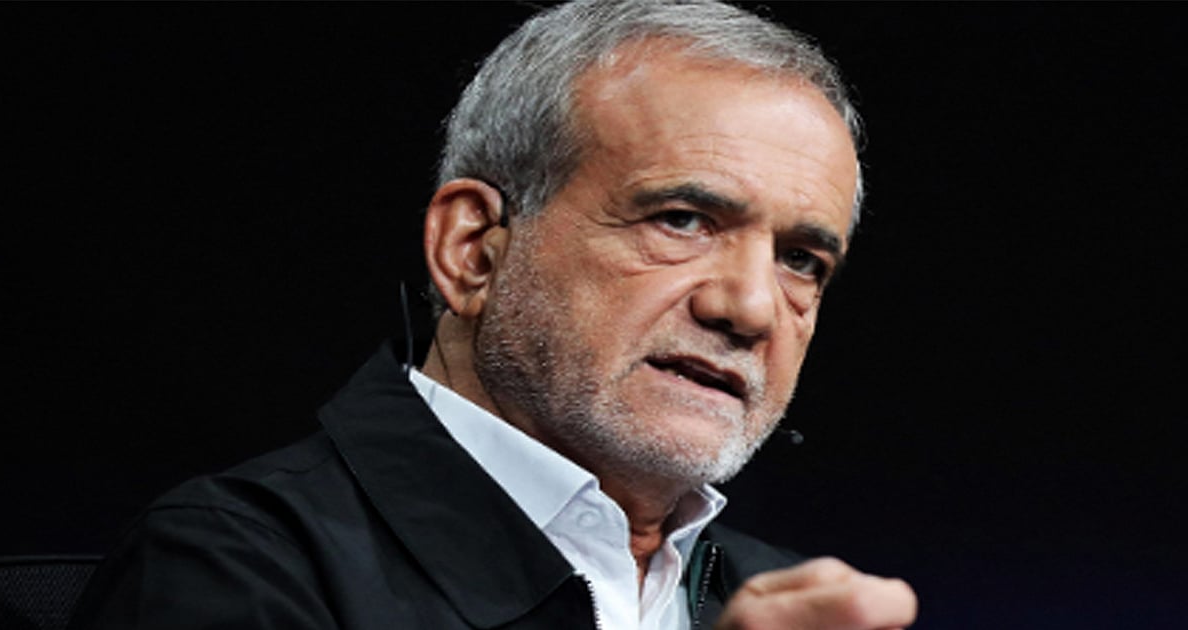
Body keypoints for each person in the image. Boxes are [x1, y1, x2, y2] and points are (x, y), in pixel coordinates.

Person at [70, 1, 917, 628]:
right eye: (682, 221)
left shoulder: (789, 602)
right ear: (474, 249)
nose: (750, 307)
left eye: (801, 260)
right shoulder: (235, 567)